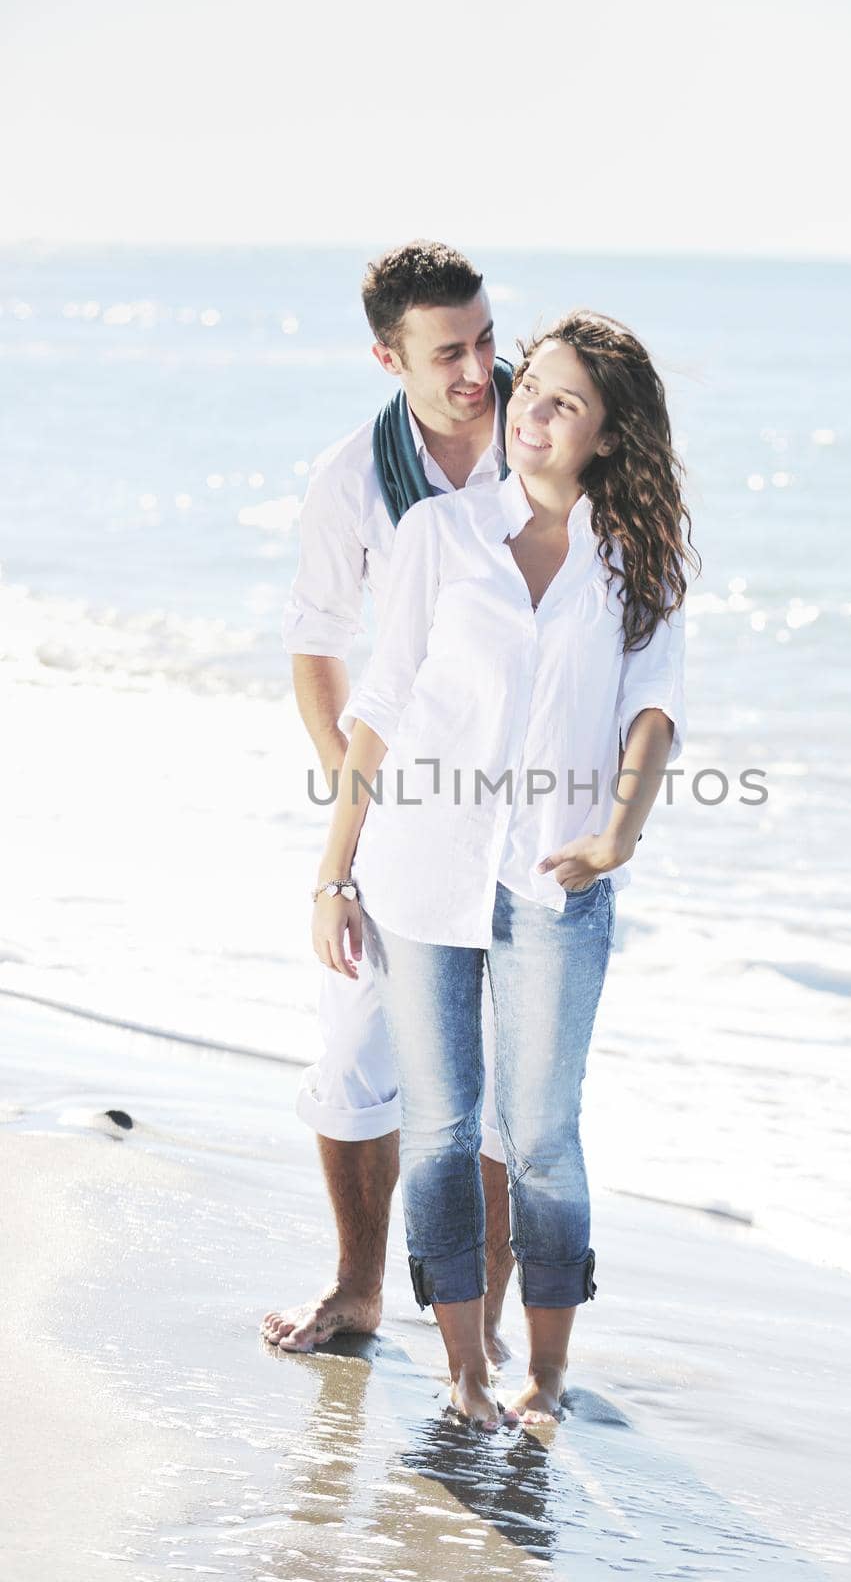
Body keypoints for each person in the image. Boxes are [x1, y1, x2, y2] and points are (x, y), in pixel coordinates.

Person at [311, 312, 697, 1428]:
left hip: (554, 880)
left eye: (563, 401)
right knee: (435, 1130)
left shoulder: (637, 559)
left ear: (607, 432)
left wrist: (616, 836)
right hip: (420, 872)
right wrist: (333, 874)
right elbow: (379, 707)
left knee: (538, 1137)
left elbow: (652, 713)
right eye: (529, 390)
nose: (529, 412)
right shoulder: (437, 534)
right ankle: (462, 1372)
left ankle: (548, 1371)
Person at [262, 242, 516, 1359]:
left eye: (486, 340)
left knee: (512, 1073)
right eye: (448, 353)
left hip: (529, 804)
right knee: (357, 1044)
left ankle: (492, 1334)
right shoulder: (349, 478)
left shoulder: (552, 430)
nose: (478, 372)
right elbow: (316, 640)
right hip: (399, 803)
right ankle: (357, 1289)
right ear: (387, 358)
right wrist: (350, 796)